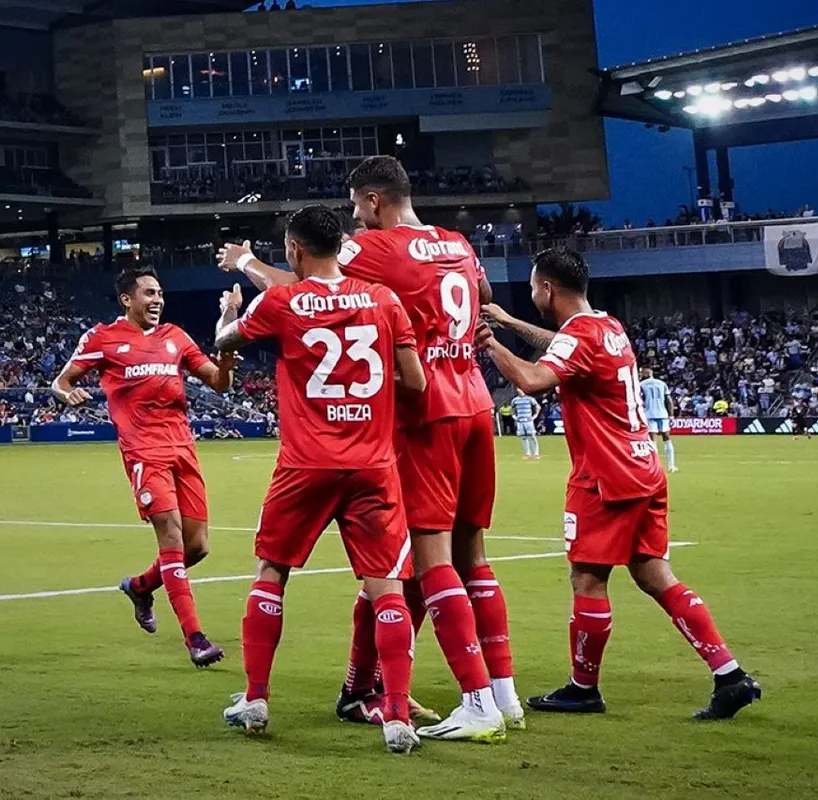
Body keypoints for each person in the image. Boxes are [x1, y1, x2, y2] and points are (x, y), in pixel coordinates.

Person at [217, 155, 517, 741]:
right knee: (465, 557)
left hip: (417, 421)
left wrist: (246, 263)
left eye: (357, 204)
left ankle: (477, 701)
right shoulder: (455, 243)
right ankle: (485, 698)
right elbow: (480, 293)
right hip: (473, 403)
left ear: (374, 200)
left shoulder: (374, 251)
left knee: (425, 562)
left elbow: (305, 288)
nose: (355, 216)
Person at [477, 247, 761, 720]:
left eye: (532, 288)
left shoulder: (580, 336)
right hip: (643, 466)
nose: (532, 295)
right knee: (654, 575)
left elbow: (531, 380)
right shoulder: (606, 327)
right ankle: (730, 675)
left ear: (547, 288)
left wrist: (491, 343)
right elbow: (564, 344)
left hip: (605, 476)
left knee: (588, 578)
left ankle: (583, 688)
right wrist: (510, 322)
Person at [214, 205, 427, 754]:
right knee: (387, 588)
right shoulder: (384, 300)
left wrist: (228, 313)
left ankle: (256, 698)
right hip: (372, 466)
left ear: (294, 249)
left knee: (272, 572)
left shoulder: (283, 302)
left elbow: (226, 343)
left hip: (304, 465)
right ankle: (396, 716)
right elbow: (415, 381)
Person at [52, 266, 237, 668]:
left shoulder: (175, 337)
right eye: (149, 293)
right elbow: (61, 382)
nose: (158, 300)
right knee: (170, 534)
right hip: (143, 450)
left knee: (198, 547)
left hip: (183, 448)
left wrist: (225, 363)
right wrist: (67, 394)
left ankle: (140, 587)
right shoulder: (102, 338)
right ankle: (195, 638)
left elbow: (218, 383)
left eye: (160, 294)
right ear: (127, 299)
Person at [640, 367, 677, 472]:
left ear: (646, 374)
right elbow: (669, 400)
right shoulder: (662, 383)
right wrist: (671, 416)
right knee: (667, 438)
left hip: (649, 414)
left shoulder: (641, 385)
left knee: (652, 441)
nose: (641, 375)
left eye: (642, 373)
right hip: (662, 413)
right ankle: (671, 465)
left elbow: (639, 400)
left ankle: (656, 467)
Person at [510, 389, 542, 460]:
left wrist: (535, 415)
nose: (518, 390)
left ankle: (536, 453)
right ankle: (527, 454)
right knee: (523, 437)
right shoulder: (515, 400)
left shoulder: (530, 398)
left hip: (528, 421)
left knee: (532, 436)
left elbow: (538, 407)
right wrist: (514, 416)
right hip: (520, 421)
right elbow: (512, 409)